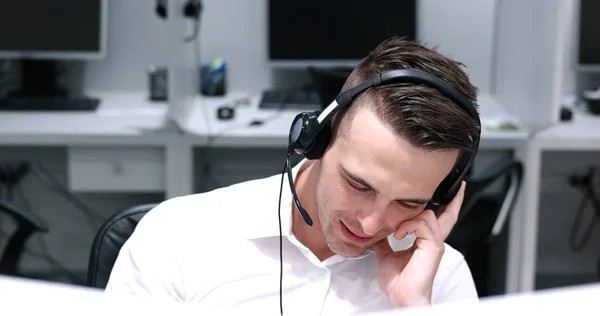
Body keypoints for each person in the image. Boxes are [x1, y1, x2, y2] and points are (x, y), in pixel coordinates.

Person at [105, 36, 481, 314]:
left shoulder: (441, 279)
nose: (371, 223)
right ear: (318, 139)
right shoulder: (176, 238)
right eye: (359, 184)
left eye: (407, 203)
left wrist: (412, 306)